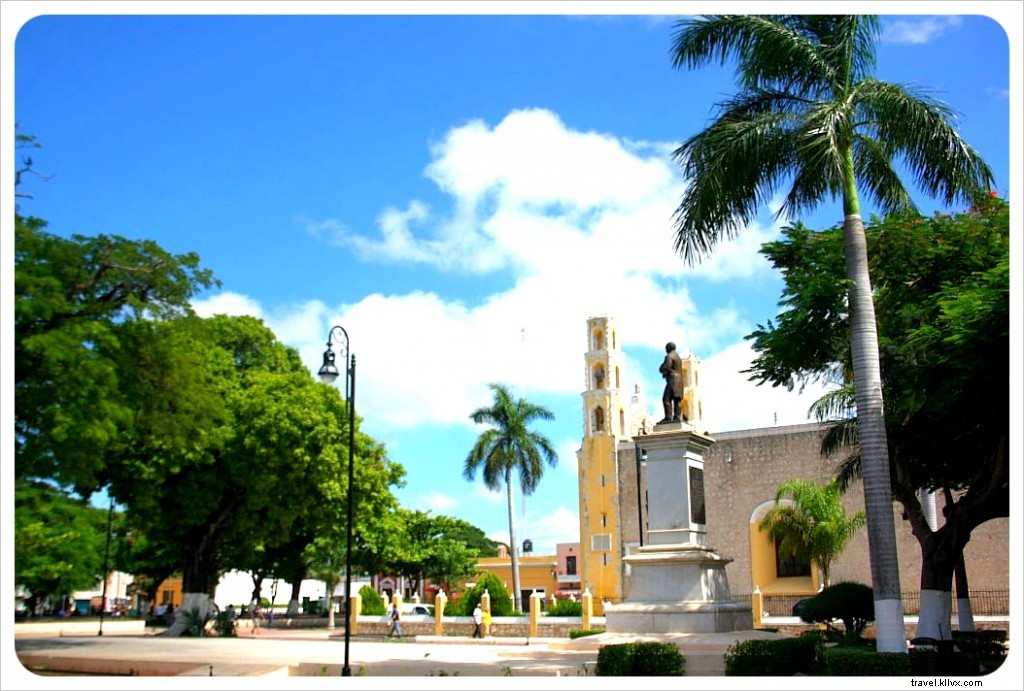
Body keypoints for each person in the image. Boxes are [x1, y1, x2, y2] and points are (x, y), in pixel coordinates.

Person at [658, 341, 685, 423]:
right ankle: (677, 417)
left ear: (668, 348)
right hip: (680, 380)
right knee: (677, 400)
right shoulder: (678, 358)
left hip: (672, 380)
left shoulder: (669, 356)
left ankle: (668, 417)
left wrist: (661, 368)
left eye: (666, 348)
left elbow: (666, 367)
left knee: (666, 399)